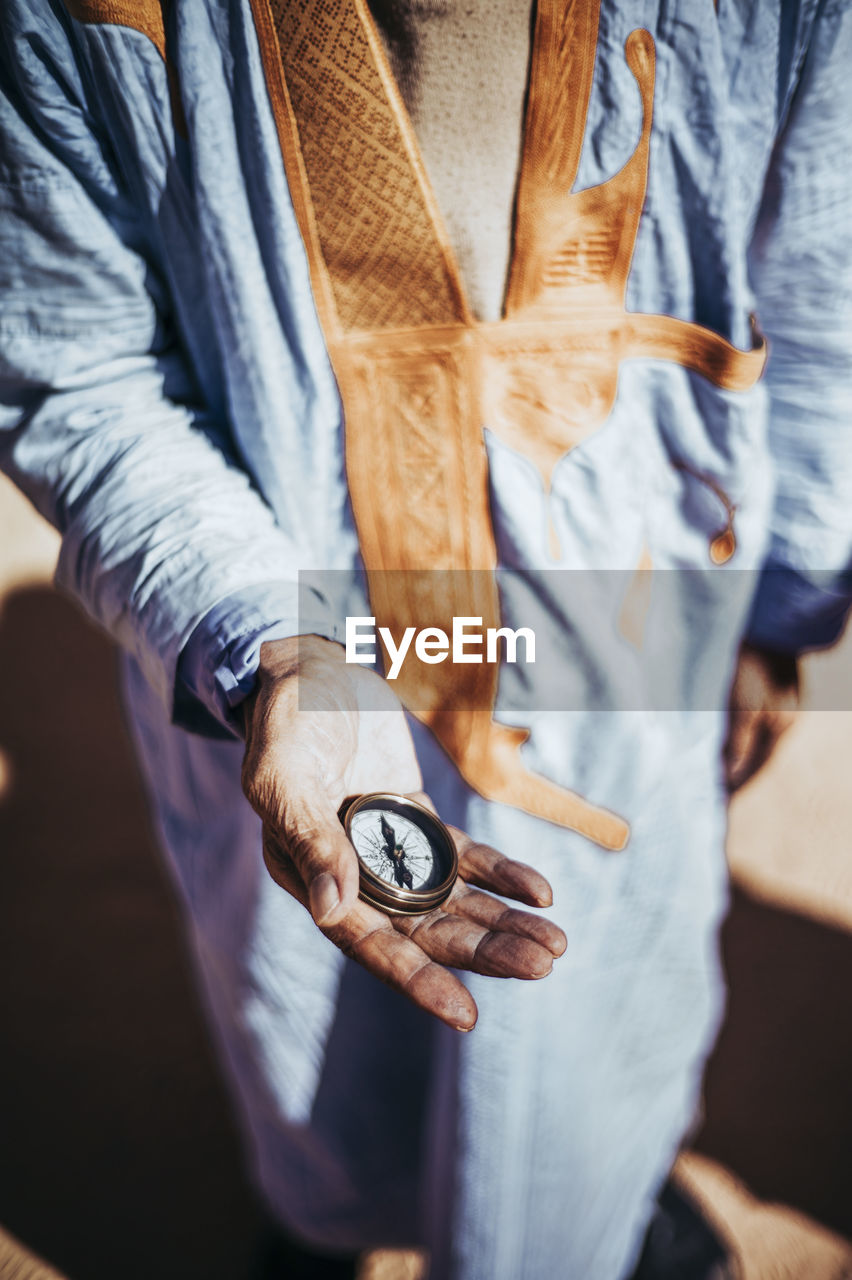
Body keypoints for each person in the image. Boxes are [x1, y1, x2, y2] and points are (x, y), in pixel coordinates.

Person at [1, 1, 850, 1277]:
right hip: (284, 669)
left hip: (633, 639)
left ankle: (592, 1219)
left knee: (590, 1024)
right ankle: (330, 1216)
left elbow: (822, 281)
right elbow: (81, 373)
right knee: (318, 1028)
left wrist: (780, 613)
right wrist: (276, 651)